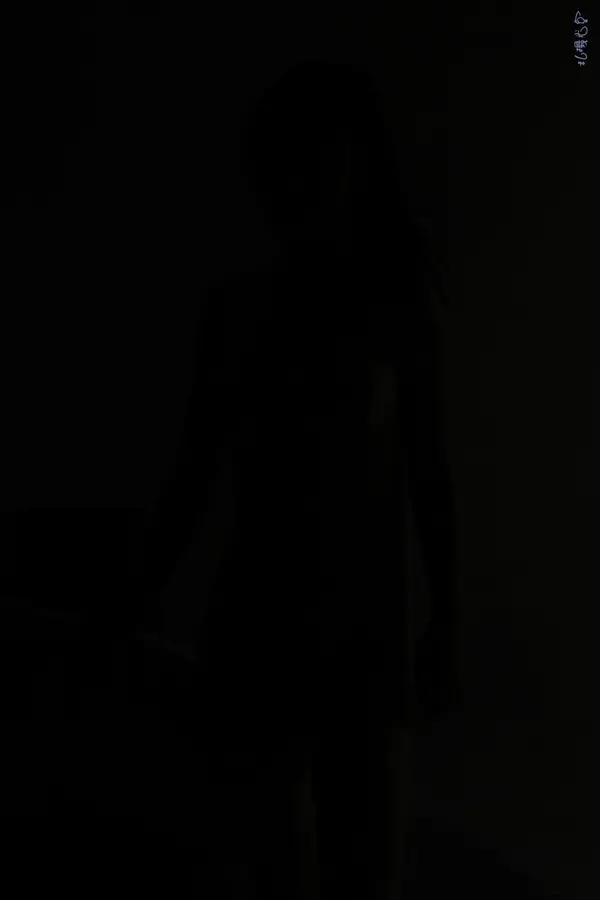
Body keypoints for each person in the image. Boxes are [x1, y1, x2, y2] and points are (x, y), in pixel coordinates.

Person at [145, 58, 459, 900]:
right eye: (285, 167)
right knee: (294, 863)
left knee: (349, 866)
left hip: (354, 638)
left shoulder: (391, 311)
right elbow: (192, 478)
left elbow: (430, 470)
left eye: (312, 161)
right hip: (272, 634)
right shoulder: (242, 313)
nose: (295, 187)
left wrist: (450, 618)